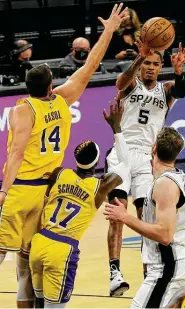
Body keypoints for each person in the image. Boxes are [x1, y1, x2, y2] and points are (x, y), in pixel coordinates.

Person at [0, 3, 129, 308]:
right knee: (26, 260)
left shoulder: (22, 109)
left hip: (21, 190)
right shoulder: (61, 100)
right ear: (51, 86)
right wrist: (108, 30)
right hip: (46, 191)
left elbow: (17, 152)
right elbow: (91, 66)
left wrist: (4, 189)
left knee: (5, 252)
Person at [105, 41, 185, 297]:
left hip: (146, 159)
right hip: (122, 152)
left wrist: (178, 71)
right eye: (147, 64)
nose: (150, 68)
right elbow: (120, 83)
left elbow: (182, 91)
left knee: (146, 217)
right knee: (118, 212)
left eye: (154, 64)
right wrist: (137, 60)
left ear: (160, 66)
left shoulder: (166, 90)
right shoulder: (132, 83)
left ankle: (149, 271)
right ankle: (114, 273)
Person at [29, 101, 129, 308]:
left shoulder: (59, 174)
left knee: (38, 303)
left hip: (39, 243)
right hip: (62, 250)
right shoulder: (99, 188)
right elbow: (126, 165)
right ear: (97, 162)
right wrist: (116, 128)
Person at [105, 126, 185, 308]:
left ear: (153, 148)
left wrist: (125, 217)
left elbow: (165, 235)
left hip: (167, 268)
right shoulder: (175, 177)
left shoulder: (165, 185)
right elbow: (126, 160)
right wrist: (117, 130)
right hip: (169, 266)